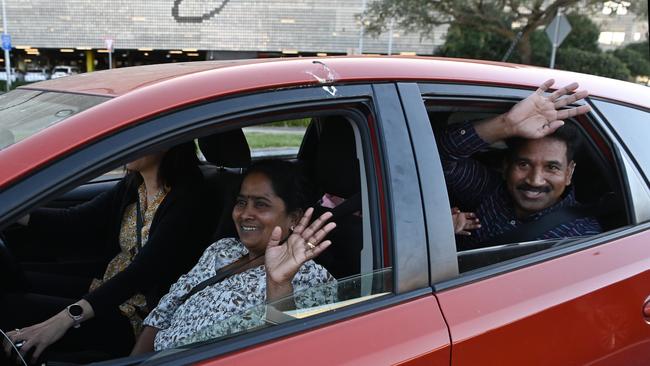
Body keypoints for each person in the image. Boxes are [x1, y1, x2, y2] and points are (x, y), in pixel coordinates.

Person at [1, 142, 216, 362]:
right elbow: (75, 221)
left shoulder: (189, 198)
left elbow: (141, 274)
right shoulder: (135, 185)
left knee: (10, 308)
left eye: (136, 137)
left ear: (166, 142)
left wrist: (64, 319)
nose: (125, 146)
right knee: (13, 285)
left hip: (136, 318)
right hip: (106, 289)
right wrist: (11, 206)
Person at [131, 160, 337, 353]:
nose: (245, 213)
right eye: (241, 202)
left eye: (261, 204)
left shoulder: (310, 277)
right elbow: (164, 311)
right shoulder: (223, 249)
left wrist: (278, 285)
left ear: (294, 217)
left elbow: (288, 351)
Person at [440, 79, 602, 250]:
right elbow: (436, 158)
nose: (535, 180)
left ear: (569, 173)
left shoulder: (581, 237)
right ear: (506, 165)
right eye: (524, 164)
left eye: (552, 167)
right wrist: (505, 124)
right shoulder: (488, 190)